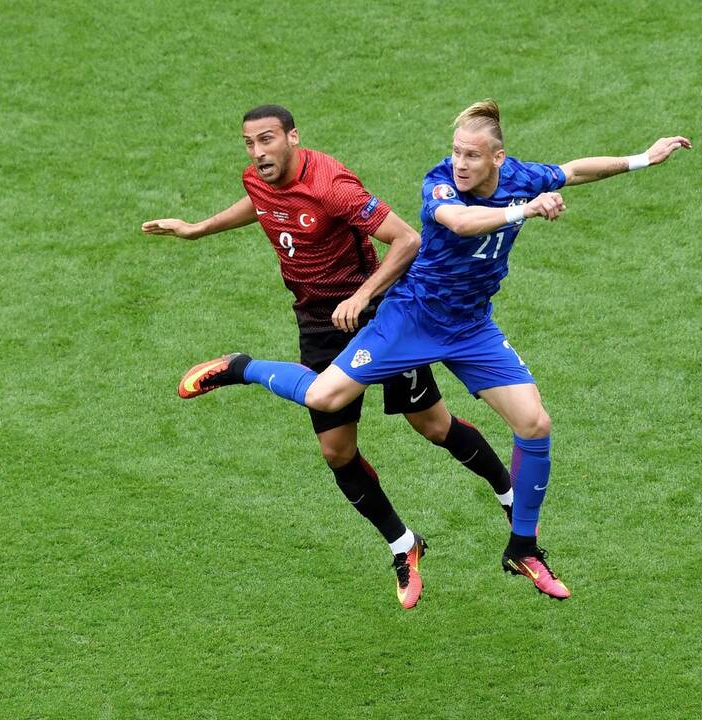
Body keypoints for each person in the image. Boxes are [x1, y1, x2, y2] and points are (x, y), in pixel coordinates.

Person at [180, 99, 691, 601]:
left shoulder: (520, 176)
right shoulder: (440, 184)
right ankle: (243, 368)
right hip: (411, 319)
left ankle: (524, 547)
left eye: (471, 155)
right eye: (455, 152)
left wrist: (643, 158)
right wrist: (526, 210)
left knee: (533, 423)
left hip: (472, 328)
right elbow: (460, 222)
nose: (460, 163)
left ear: (498, 158)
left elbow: (574, 171)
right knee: (323, 399)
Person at [145, 104, 516, 610]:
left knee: (430, 425)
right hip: (318, 321)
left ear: (292, 137)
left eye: (268, 140)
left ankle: (510, 499)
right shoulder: (260, 179)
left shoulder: (332, 184)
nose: (258, 153)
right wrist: (197, 228)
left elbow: (406, 239)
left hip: (380, 317)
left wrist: (363, 296)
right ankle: (405, 546)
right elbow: (261, 204)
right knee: (336, 451)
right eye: (250, 143)